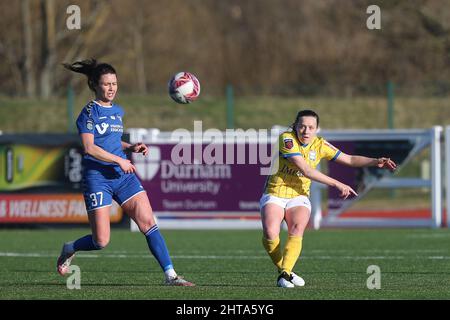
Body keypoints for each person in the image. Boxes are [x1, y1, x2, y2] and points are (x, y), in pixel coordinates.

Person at [56, 59, 194, 286]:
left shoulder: (117, 111)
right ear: (95, 85)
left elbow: (110, 141)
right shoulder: (88, 113)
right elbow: (90, 147)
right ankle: (70, 248)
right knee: (101, 241)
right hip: (97, 178)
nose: (112, 88)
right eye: (107, 84)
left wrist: (130, 148)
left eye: (114, 83)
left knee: (148, 222)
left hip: (122, 177)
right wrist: (120, 160)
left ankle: (171, 275)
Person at [260, 109, 396, 288]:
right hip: (275, 192)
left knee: (297, 227)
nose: (306, 131)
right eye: (302, 126)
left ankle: (284, 274)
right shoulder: (287, 138)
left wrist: (375, 161)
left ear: (317, 129)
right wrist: (337, 184)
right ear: (295, 126)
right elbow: (306, 170)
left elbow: (350, 159)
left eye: (311, 127)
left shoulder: (320, 145)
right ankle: (285, 272)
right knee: (270, 232)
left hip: (299, 195)